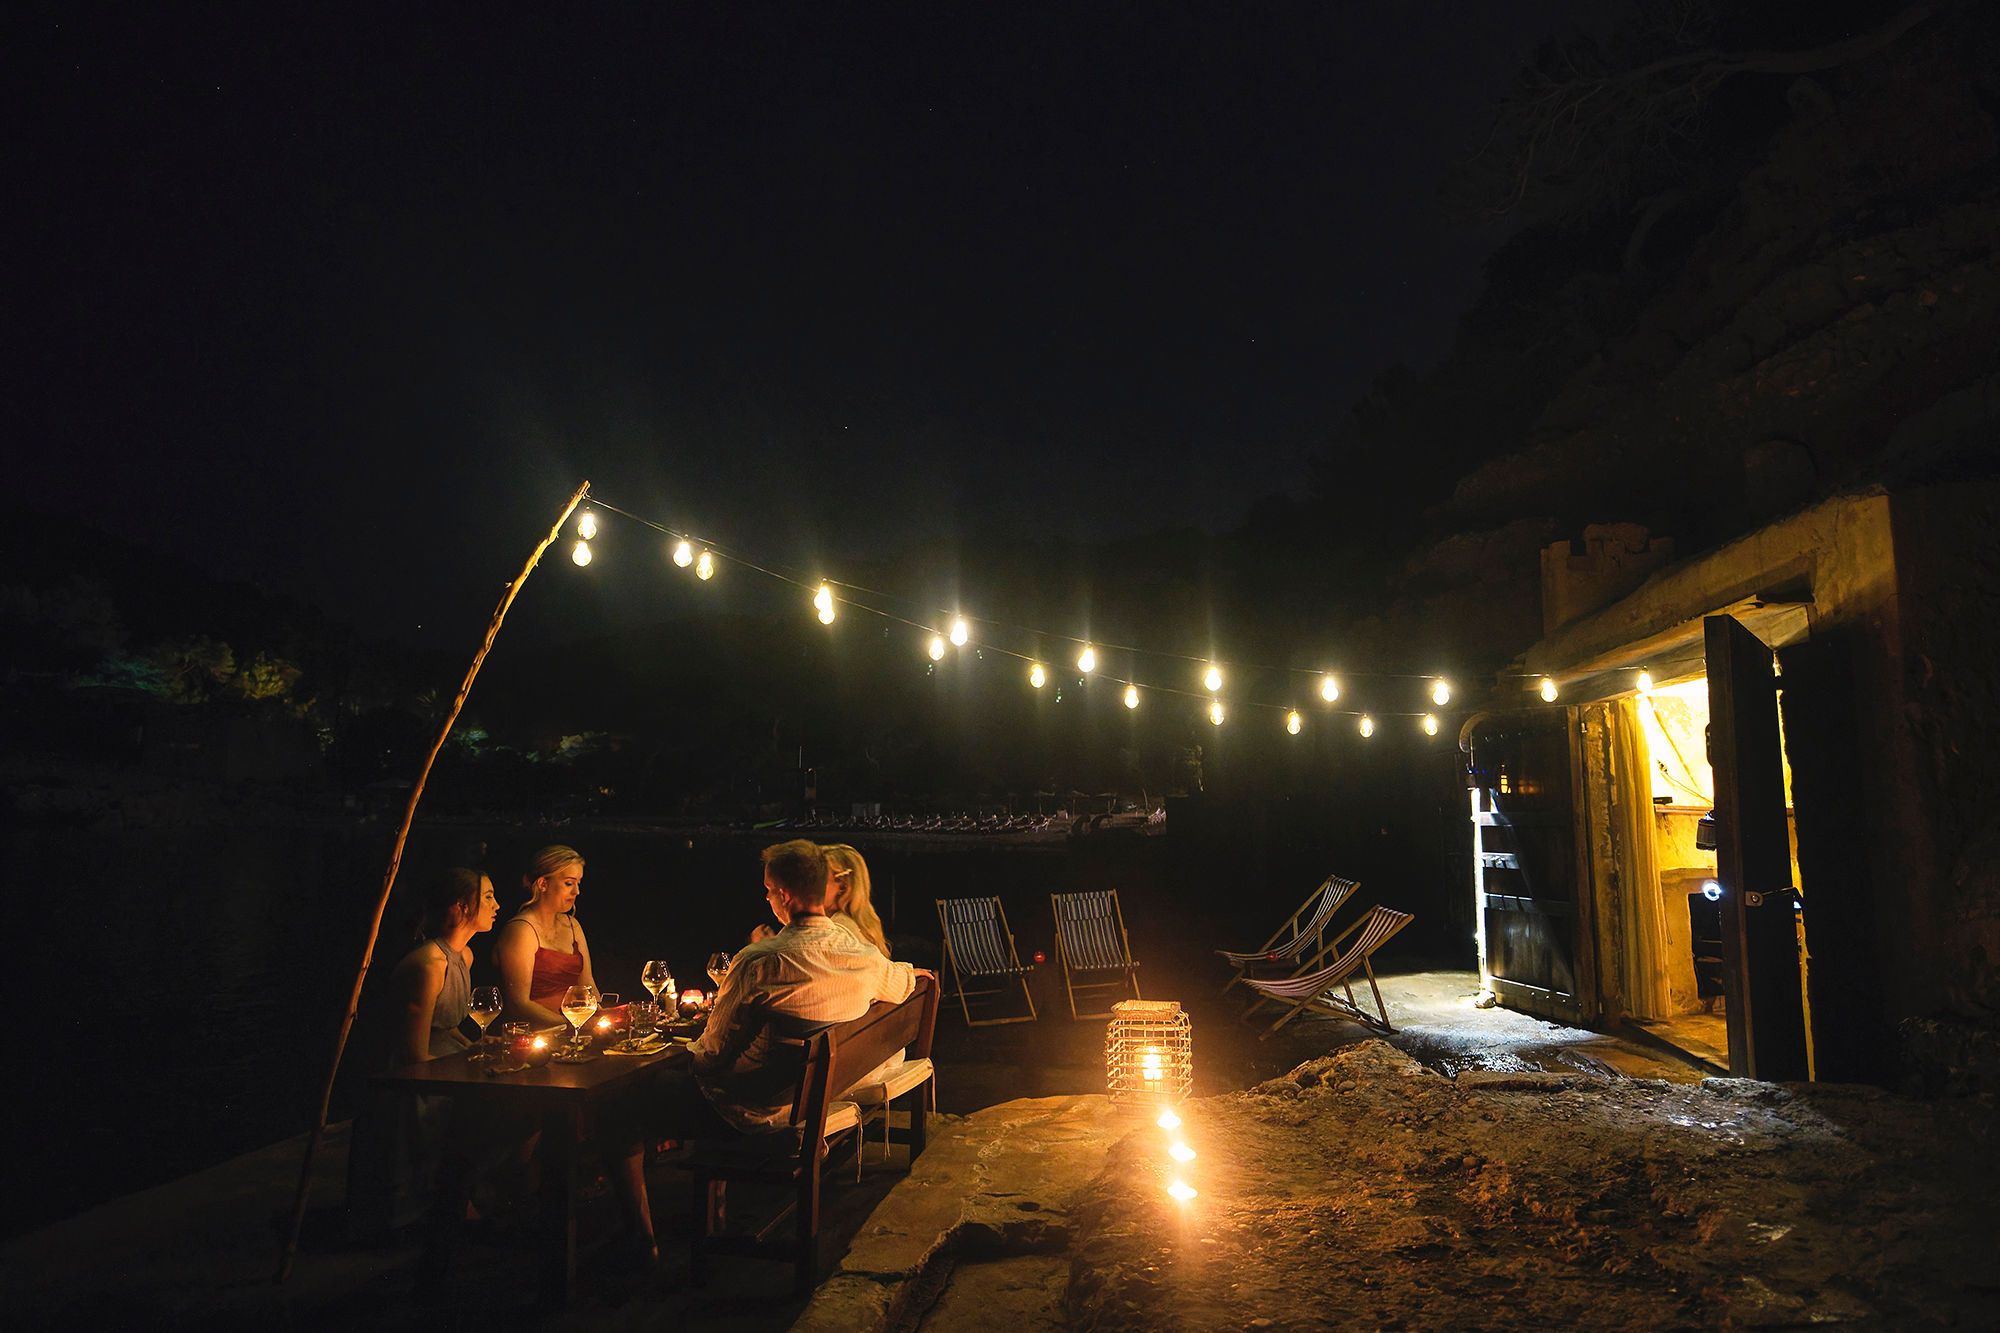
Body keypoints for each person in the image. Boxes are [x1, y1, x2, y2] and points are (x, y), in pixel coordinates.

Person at [599, 840, 932, 1264]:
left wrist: (683, 1048)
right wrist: (919, 975)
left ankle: (640, 1241)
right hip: (814, 1096)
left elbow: (712, 1057)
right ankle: (708, 1216)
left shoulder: (760, 961)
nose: (767, 899)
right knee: (669, 1085)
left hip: (759, 1112)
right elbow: (906, 982)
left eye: (768, 891)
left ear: (785, 896)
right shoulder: (861, 953)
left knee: (619, 1106)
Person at [346, 867, 500, 1239]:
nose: (497, 905)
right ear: (462, 907)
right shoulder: (430, 964)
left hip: (443, 1059)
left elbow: (446, 1028)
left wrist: (479, 1047)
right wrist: (467, 1070)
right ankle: (440, 1206)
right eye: (488, 897)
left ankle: (466, 1194)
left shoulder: (464, 957)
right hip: (411, 1076)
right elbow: (414, 1054)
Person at [495, 845, 595, 1028]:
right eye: (569, 883)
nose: (577, 892)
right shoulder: (522, 930)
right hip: (535, 1032)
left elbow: (588, 986)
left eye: (578, 883)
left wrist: (603, 1017)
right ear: (543, 884)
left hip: (575, 1027)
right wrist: (569, 1026)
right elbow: (518, 1003)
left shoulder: (573, 925)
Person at [822, 843, 891, 958]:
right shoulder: (852, 925)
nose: (807, 885)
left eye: (818, 879)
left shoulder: (839, 932)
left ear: (843, 887)